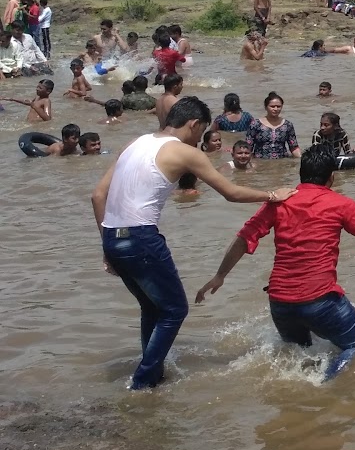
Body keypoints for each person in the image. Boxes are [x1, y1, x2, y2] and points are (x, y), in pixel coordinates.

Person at [91, 96, 282, 390]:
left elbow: (98, 196)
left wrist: (107, 245)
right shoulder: (184, 152)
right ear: (193, 124)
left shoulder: (134, 142)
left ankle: (153, 374)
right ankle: (142, 383)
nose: (199, 139)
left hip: (114, 237)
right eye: (200, 131)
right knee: (175, 310)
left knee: (153, 309)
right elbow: (230, 192)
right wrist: (272, 194)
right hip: (142, 237)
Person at [193, 147, 355, 381]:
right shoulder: (340, 203)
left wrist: (220, 276)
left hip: (280, 303)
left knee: (299, 356)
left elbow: (244, 239)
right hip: (320, 300)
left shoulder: (280, 200)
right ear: (332, 177)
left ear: (301, 173)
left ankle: (300, 400)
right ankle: (327, 386)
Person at [249, 92, 301, 159]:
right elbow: (248, 148)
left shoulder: (288, 125)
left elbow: (294, 147)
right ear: (266, 107)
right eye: (272, 106)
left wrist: (302, 160)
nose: (276, 109)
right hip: (261, 162)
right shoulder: (255, 124)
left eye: (278, 106)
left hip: (282, 162)